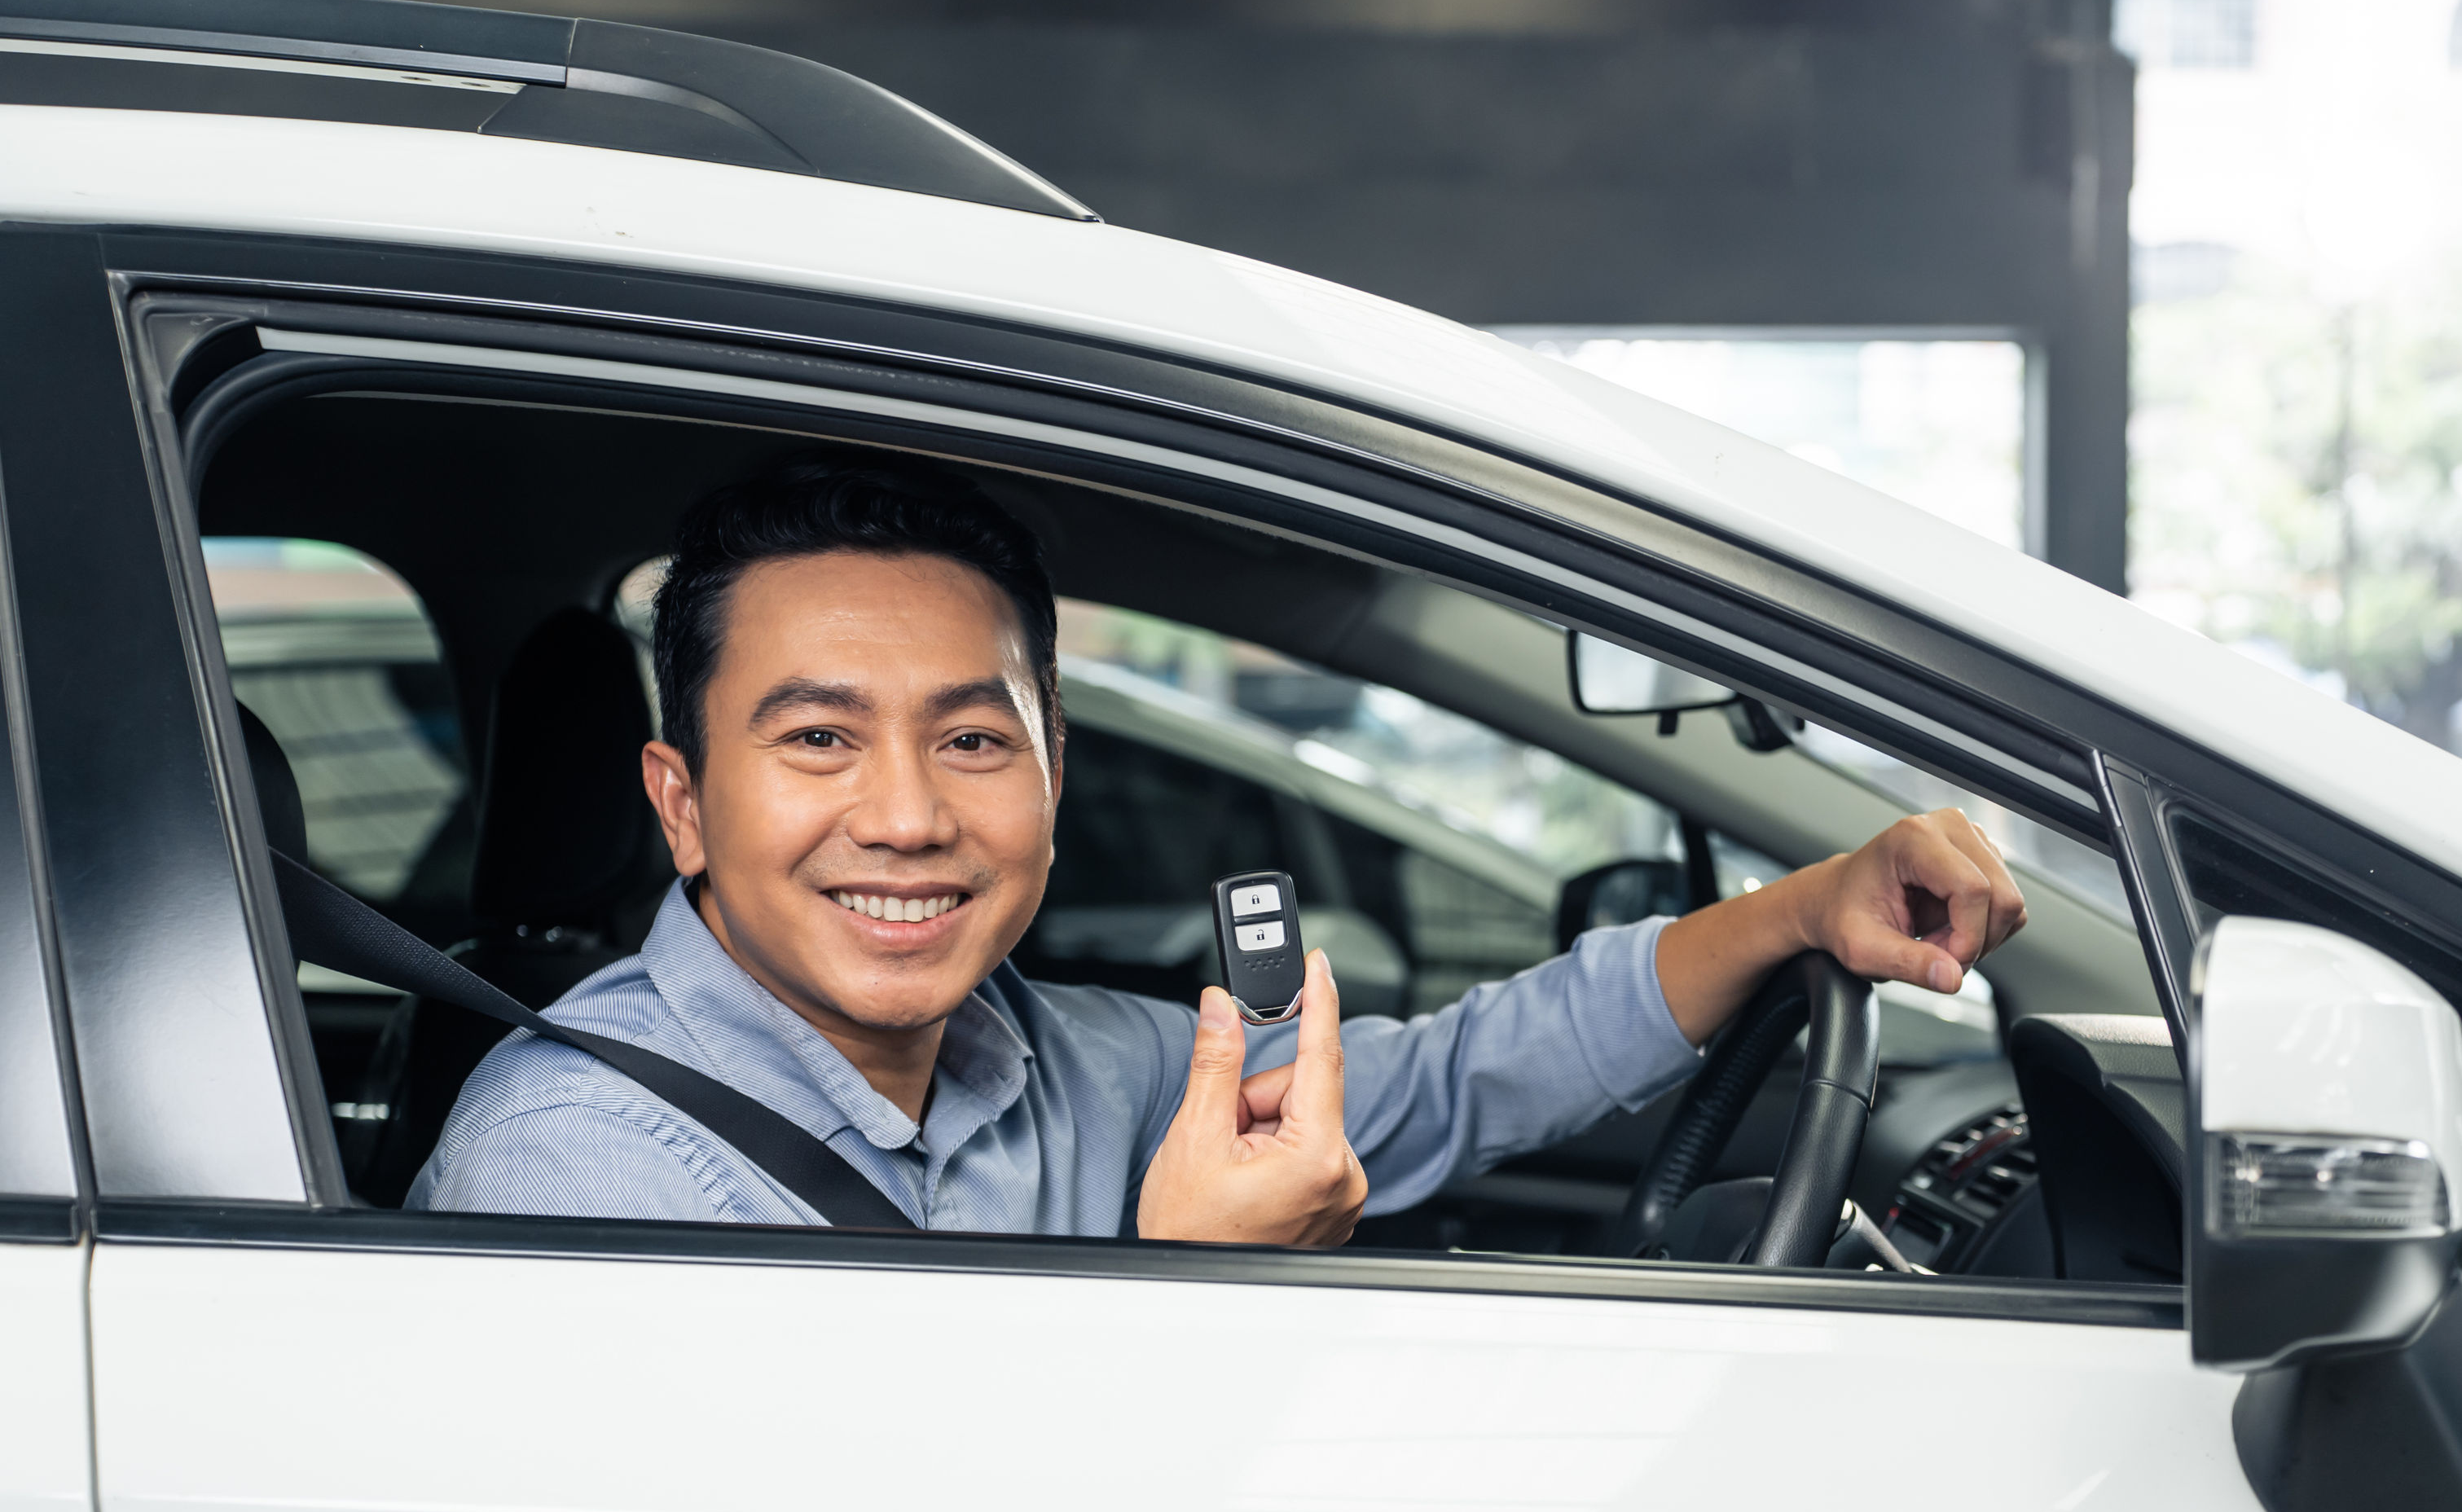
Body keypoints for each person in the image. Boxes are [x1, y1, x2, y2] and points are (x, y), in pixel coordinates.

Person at [411, 451, 2028, 1243]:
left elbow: (1460, 1076)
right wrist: (1190, 1294)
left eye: (973, 738)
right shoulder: (580, 1158)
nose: (906, 815)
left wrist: (1801, 909)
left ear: (1055, 772)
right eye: (818, 739)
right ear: (682, 801)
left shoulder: (1067, 1062)